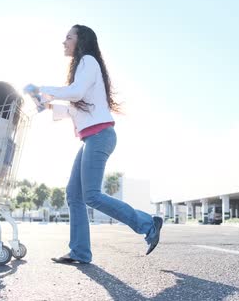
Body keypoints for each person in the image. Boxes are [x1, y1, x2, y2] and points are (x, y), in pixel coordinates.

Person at [37, 25, 163, 264]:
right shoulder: (83, 68)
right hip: (91, 138)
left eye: (68, 37)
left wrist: (46, 90)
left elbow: (75, 93)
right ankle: (80, 252)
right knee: (74, 195)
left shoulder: (88, 61)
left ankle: (148, 223)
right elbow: (75, 108)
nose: (63, 42)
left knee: (91, 196)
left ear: (80, 40)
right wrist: (47, 105)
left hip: (99, 136)